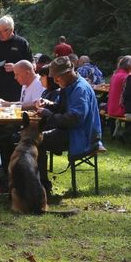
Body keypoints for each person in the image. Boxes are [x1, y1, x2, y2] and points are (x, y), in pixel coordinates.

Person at [33, 56, 104, 195]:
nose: (54, 80)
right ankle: (37, 184)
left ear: (67, 73)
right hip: (73, 130)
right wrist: (49, 104)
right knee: (33, 134)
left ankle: (42, 187)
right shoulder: (70, 84)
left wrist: (49, 115)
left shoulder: (80, 89)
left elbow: (74, 119)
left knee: (37, 141)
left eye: (57, 77)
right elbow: (63, 108)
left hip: (83, 135)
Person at [0, 16, 32, 102]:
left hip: (16, 87)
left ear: (11, 29)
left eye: (2, 31)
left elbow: (32, 66)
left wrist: (16, 67)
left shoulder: (22, 43)